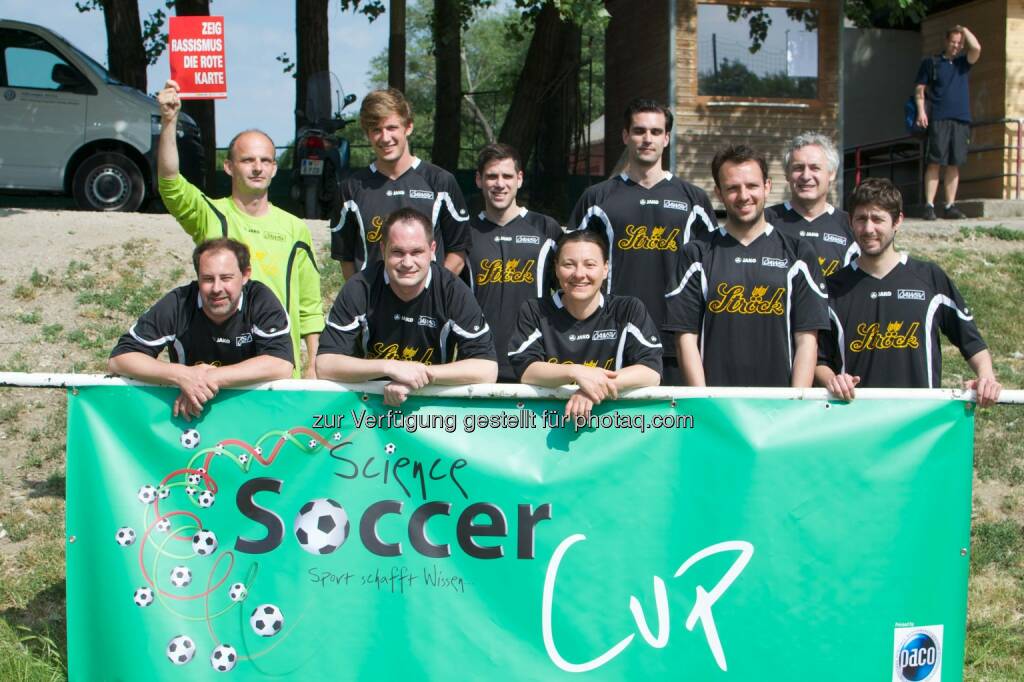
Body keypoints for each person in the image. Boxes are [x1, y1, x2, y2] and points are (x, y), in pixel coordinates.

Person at [157, 79, 322, 379]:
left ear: (274, 168)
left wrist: (312, 363)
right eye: (247, 160)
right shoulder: (211, 213)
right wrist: (169, 122)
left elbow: (309, 306)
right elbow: (170, 183)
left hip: (277, 371)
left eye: (265, 160)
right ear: (229, 166)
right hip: (218, 371)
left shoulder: (295, 228)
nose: (257, 167)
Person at [568, 98, 717, 385]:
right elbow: (570, 268)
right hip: (610, 334)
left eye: (655, 132)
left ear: (667, 138)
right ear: (626, 136)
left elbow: (712, 269)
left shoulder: (694, 200)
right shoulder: (596, 199)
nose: (647, 139)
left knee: (678, 425)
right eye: (639, 131)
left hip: (678, 339)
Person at [815, 178, 1001, 406]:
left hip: (918, 425)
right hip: (856, 423)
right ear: (851, 223)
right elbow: (819, 360)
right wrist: (833, 380)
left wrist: (986, 375)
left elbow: (971, 340)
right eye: (861, 219)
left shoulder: (929, 278)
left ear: (898, 221)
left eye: (878, 219)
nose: (868, 229)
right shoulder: (832, 287)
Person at [665, 145, 829, 388]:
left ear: (767, 187)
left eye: (752, 186)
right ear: (718, 193)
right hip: (718, 406)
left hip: (779, 405)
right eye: (732, 188)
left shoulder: (799, 253)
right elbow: (685, 339)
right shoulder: (696, 254)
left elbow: (807, 339)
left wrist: (796, 404)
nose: (743, 196)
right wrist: (705, 402)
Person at [317, 208, 497, 406]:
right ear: (383, 248)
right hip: (368, 404)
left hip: (431, 405)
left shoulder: (453, 291)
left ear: (432, 249)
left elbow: (487, 368)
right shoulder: (360, 288)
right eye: (397, 252)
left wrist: (421, 375)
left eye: (417, 252)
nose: (407, 262)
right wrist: (389, 367)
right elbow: (325, 364)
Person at [109, 238, 294, 420]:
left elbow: (281, 364)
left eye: (226, 278)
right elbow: (120, 359)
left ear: (245, 275)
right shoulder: (178, 303)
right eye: (207, 279)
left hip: (253, 411)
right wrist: (181, 375)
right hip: (190, 414)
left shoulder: (261, 300)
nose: (216, 288)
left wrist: (209, 378)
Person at [508, 230, 662, 421]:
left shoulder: (628, 310)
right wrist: (576, 372)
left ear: (605, 269)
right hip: (545, 423)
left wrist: (591, 388)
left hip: (615, 425)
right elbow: (526, 370)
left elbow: (651, 371)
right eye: (568, 264)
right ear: (556, 268)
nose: (579, 274)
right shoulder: (534, 311)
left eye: (590, 265)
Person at [331, 88, 471, 279]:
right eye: (376, 130)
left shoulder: (441, 182)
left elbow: (458, 252)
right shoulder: (350, 189)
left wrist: (435, 294)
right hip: (373, 306)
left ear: (409, 127)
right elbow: (346, 259)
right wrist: (360, 299)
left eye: (391, 128)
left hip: (429, 306)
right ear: (367, 134)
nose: (385, 138)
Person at [466, 143, 563, 382]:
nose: (500, 184)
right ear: (479, 180)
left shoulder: (546, 229)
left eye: (507, 176)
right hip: (478, 361)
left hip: (536, 360)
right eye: (491, 176)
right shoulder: (464, 233)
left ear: (519, 179)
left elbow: (568, 292)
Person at [766, 133, 858, 278]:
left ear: (831, 174)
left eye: (815, 168)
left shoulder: (850, 225)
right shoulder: (765, 221)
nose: (806, 176)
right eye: (798, 168)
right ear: (787, 174)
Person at [914, 25, 981, 221]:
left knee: (954, 163)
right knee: (934, 162)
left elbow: (976, 48)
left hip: (961, 119)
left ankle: (950, 205)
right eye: (953, 41)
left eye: (959, 43)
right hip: (939, 118)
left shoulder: (963, 62)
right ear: (946, 41)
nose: (956, 46)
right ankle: (929, 205)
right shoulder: (932, 62)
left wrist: (965, 30)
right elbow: (920, 89)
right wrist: (920, 112)